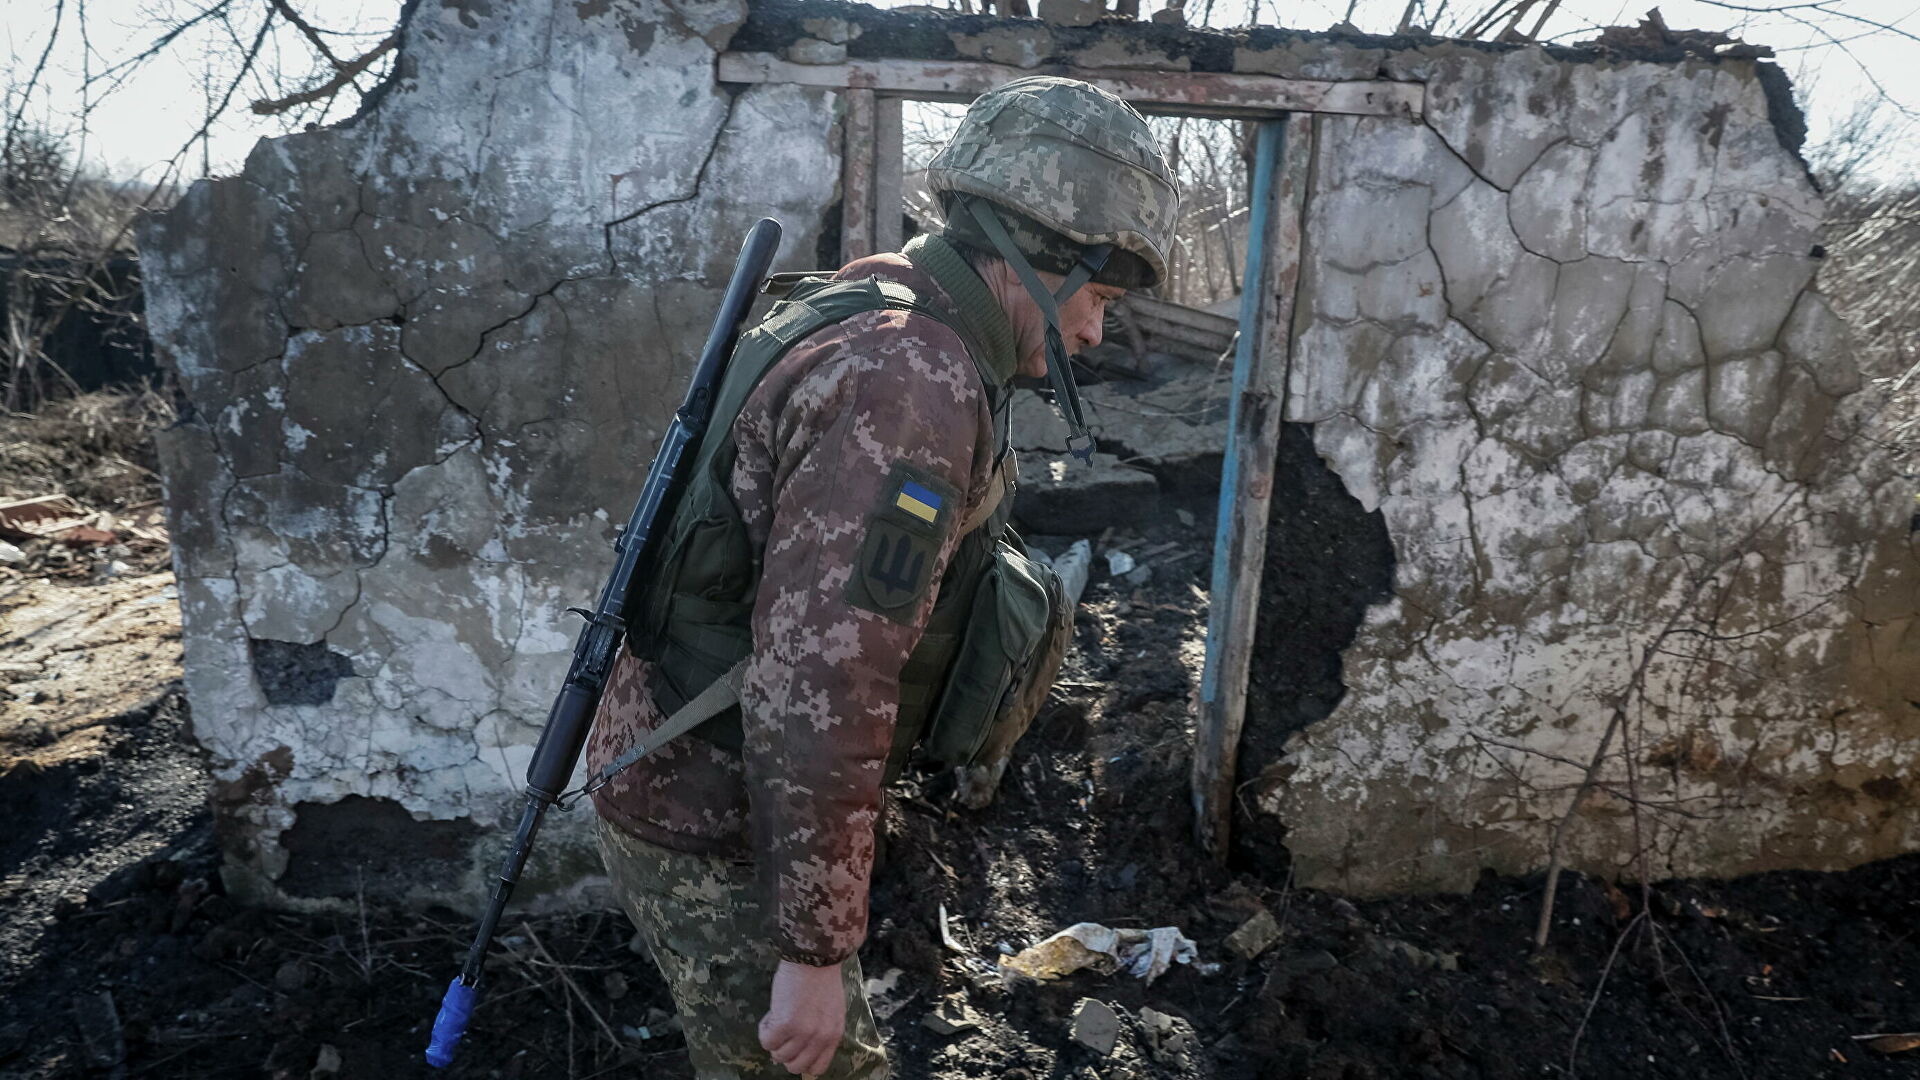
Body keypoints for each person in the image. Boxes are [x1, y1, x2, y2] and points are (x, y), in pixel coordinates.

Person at [585, 75, 1179, 1079]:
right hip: (719, 817)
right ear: (1039, 256)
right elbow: (827, 677)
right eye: (1099, 300)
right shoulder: (908, 384)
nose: (1092, 336)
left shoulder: (880, 302)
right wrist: (815, 951)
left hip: (704, 781)